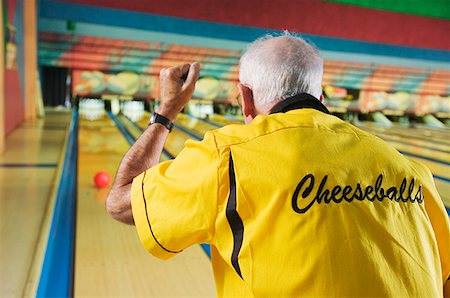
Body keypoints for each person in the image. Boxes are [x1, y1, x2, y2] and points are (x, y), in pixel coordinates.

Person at [106, 34, 450, 297]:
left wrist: (167, 111)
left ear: (245, 96)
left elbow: (120, 202)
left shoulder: (226, 155)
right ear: (320, 97)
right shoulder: (410, 169)